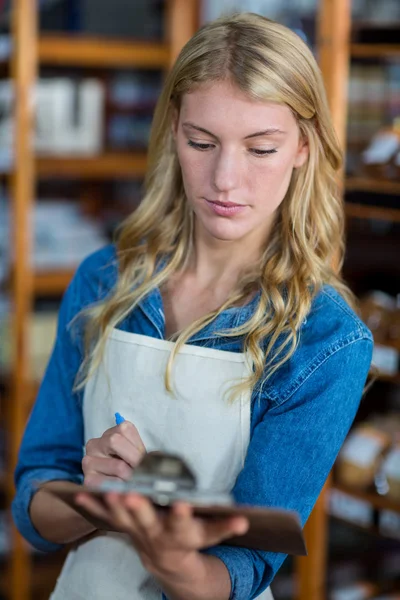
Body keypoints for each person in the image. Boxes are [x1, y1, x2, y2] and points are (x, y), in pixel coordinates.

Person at [12, 12, 373, 600]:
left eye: (261, 149)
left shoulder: (325, 341)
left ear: (304, 147)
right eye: (202, 143)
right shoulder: (104, 281)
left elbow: (246, 567)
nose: (225, 179)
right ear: (174, 130)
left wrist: (171, 556)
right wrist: (91, 499)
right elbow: (35, 504)